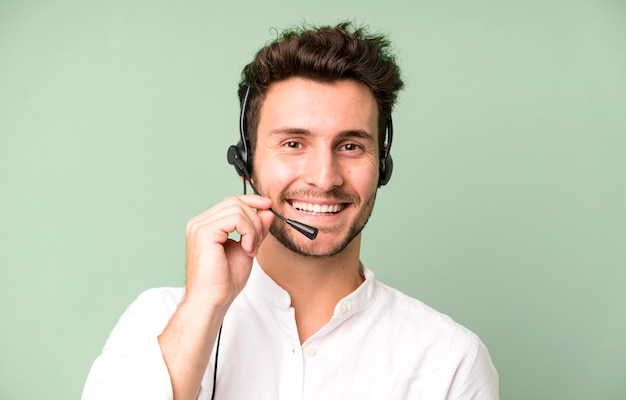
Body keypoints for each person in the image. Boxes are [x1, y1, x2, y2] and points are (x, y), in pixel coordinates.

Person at [82, 22, 499, 400]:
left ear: (382, 164)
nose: (324, 177)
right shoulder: (159, 323)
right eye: (294, 143)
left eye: (351, 145)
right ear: (246, 161)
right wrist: (203, 308)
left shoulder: (450, 362)